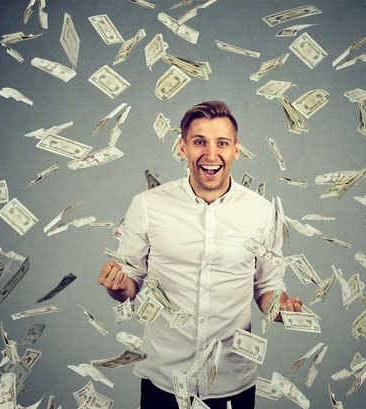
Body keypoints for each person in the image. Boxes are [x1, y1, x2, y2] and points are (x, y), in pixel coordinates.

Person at [98, 100, 302, 409]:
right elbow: (131, 284)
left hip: (232, 381)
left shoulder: (262, 212)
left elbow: (266, 287)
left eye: (221, 143)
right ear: (182, 147)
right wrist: (118, 286)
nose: (210, 154)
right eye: (199, 142)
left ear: (236, 149)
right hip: (164, 381)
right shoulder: (147, 206)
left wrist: (282, 307)